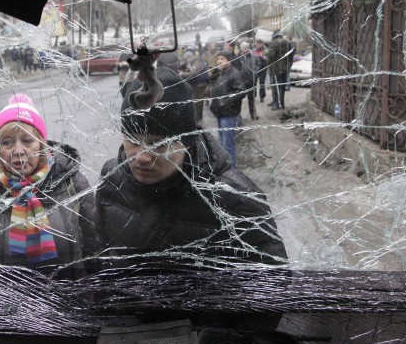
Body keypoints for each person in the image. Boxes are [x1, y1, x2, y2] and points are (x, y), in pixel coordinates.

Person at [93, 66, 288, 267]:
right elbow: (99, 256)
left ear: (186, 141)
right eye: (133, 140)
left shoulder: (235, 199)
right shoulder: (112, 178)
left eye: (158, 143)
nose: (141, 157)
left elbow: (272, 282)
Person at [0, 94, 95, 276]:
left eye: (27, 141)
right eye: (7, 142)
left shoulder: (71, 183)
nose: (18, 151)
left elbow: (95, 250)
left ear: (41, 145)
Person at [209, 50, 252, 167]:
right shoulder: (221, 73)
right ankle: (226, 169)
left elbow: (242, 91)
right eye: (218, 59)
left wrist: (225, 102)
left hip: (229, 114)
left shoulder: (235, 73)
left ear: (229, 60)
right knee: (222, 144)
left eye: (222, 59)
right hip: (220, 113)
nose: (219, 61)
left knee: (227, 145)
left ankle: (231, 171)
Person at [267, 32, 295, 110]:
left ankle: (278, 104)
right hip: (284, 68)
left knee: (276, 86)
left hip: (276, 69)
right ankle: (280, 103)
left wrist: (268, 63)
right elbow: (290, 55)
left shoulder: (274, 43)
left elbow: (271, 56)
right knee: (282, 87)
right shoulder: (287, 42)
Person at [179, 51, 209, 122]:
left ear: (190, 57)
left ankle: (197, 118)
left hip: (200, 84)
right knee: (198, 101)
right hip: (198, 83)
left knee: (198, 101)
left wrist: (182, 74)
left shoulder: (197, 62)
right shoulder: (194, 62)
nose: (186, 61)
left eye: (187, 59)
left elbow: (193, 73)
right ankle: (198, 116)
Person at [238, 41, 260, 120]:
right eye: (245, 48)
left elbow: (258, 64)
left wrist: (256, 72)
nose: (247, 50)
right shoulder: (238, 57)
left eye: (248, 48)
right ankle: (238, 116)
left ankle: (253, 114)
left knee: (251, 99)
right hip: (241, 82)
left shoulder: (253, 56)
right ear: (241, 49)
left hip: (251, 80)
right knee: (239, 99)